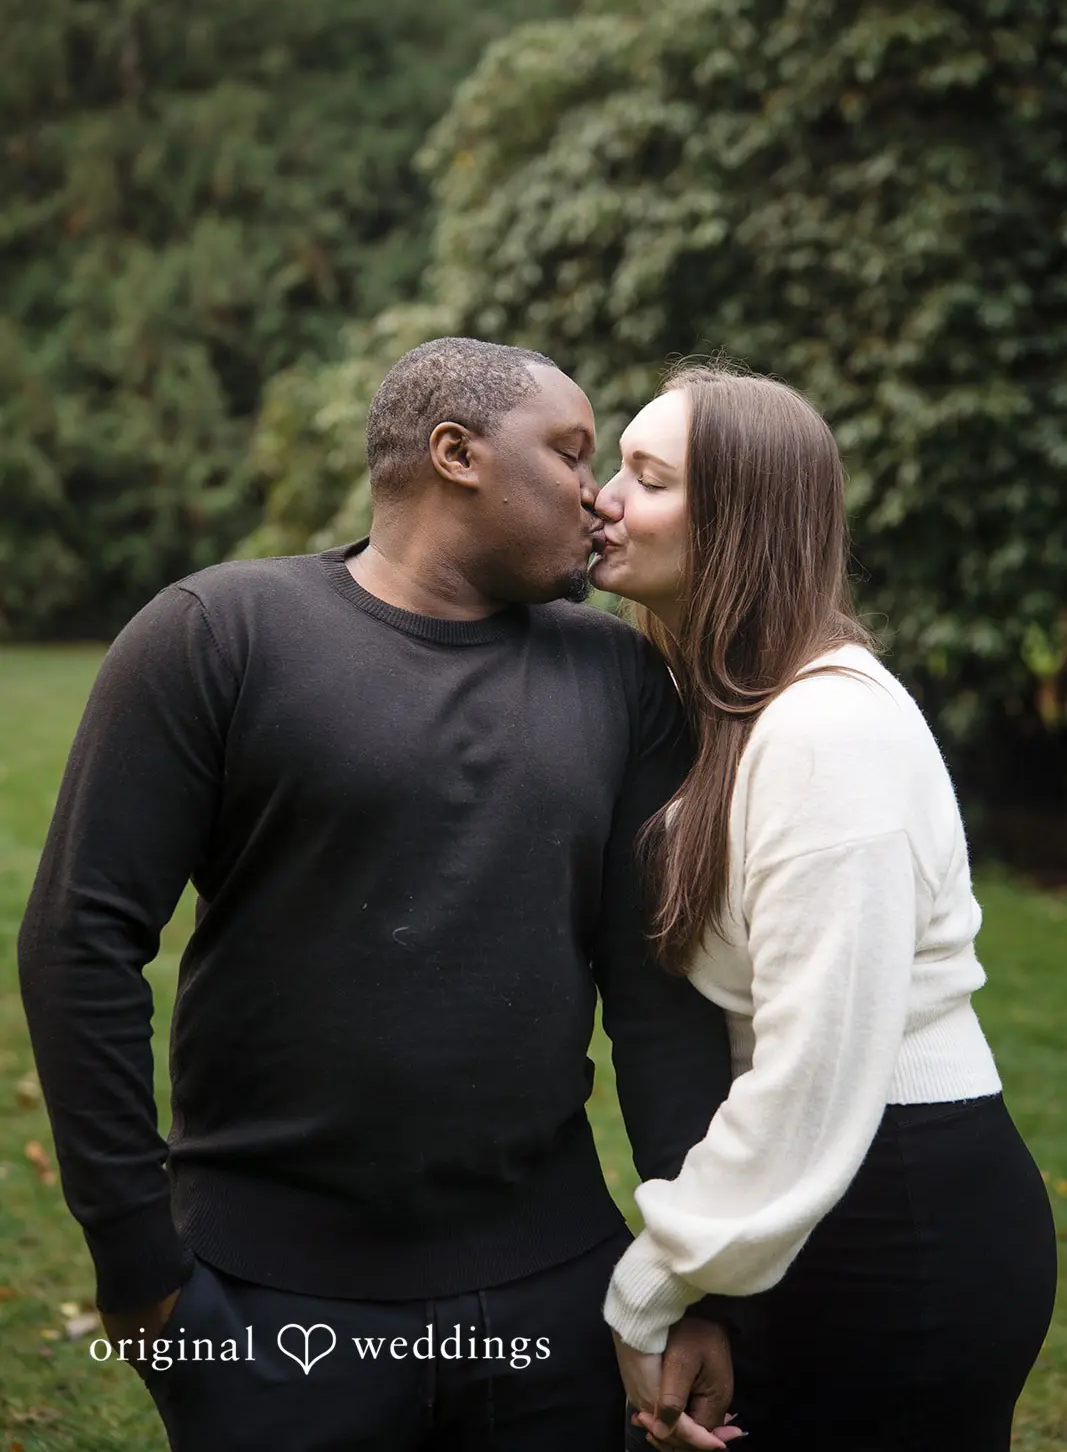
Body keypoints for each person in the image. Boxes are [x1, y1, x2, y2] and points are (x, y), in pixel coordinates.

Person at [19, 339, 742, 1452]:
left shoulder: (618, 679)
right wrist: (140, 1269)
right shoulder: (219, 636)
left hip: (554, 1294)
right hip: (269, 1304)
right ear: (454, 453)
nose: (596, 495)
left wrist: (691, 1282)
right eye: (567, 452)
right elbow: (80, 940)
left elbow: (654, 998)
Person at [590, 363, 1058, 1452]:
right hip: (828, 1196)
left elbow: (812, 1069)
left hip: (897, 1219)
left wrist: (648, 1286)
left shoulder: (825, 735)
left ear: (739, 523)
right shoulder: (737, 713)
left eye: (646, 478)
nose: (604, 497)